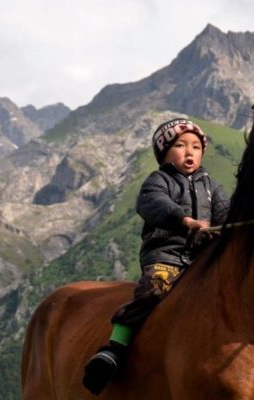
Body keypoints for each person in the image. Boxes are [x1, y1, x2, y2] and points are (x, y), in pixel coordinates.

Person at [82, 118, 229, 395]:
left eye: (196, 146)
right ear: (164, 152)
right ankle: (114, 348)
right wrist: (185, 220)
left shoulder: (211, 187)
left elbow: (227, 214)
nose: (190, 152)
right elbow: (152, 204)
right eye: (180, 145)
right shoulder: (158, 180)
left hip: (203, 260)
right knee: (154, 288)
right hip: (167, 255)